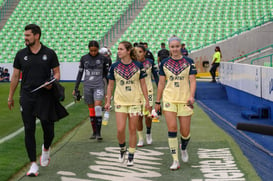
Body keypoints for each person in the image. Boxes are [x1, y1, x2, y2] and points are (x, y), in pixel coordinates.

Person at [8, 24, 68, 177]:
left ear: (37, 36)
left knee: (49, 130)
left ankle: (46, 148)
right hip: (27, 97)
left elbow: (57, 73)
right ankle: (33, 164)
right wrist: (10, 96)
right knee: (29, 130)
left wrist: (52, 83)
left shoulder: (50, 53)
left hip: (45, 97)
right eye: (25, 35)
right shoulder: (21, 54)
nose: (25, 38)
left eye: (28, 35)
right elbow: (15, 76)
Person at [104, 41, 151, 166]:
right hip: (120, 102)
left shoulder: (138, 65)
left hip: (135, 101)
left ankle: (131, 155)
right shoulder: (114, 66)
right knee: (120, 130)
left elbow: (143, 84)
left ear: (128, 51)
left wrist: (147, 101)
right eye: (118, 49)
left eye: (121, 49)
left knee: (132, 130)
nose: (118, 51)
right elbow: (110, 86)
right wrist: (108, 101)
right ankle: (122, 149)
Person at [155, 35, 197, 170]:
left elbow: (192, 81)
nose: (175, 49)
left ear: (181, 46)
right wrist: (157, 101)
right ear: (169, 48)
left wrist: (191, 96)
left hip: (185, 99)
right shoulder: (164, 63)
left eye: (177, 46)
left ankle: (183, 148)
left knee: (185, 132)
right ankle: (175, 160)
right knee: (172, 128)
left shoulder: (189, 62)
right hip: (169, 99)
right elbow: (161, 83)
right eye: (172, 47)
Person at [73, 40, 108, 141]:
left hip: (99, 86)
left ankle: (99, 133)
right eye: (91, 50)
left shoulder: (103, 58)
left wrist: (109, 86)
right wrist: (76, 87)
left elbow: (106, 74)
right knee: (91, 110)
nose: (93, 52)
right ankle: (94, 132)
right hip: (87, 86)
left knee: (97, 108)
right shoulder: (84, 58)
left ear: (98, 49)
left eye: (95, 50)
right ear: (89, 49)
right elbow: (80, 74)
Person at [135, 45, 159, 147]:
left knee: (148, 115)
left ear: (144, 52)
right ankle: (140, 138)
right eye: (136, 52)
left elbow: (156, 77)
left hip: (148, 91)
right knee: (138, 116)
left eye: (140, 52)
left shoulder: (150, 62)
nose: (138, 54)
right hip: (136, 92)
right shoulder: (132, 63)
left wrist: (160, 89)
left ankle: (148, 133)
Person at [99, 47, 112, 124]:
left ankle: (106, 104)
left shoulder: (106, 60)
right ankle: (106, 104)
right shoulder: (107, 59)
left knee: (105, 91)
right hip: (104, 76)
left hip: (104, 76)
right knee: (104, 91)